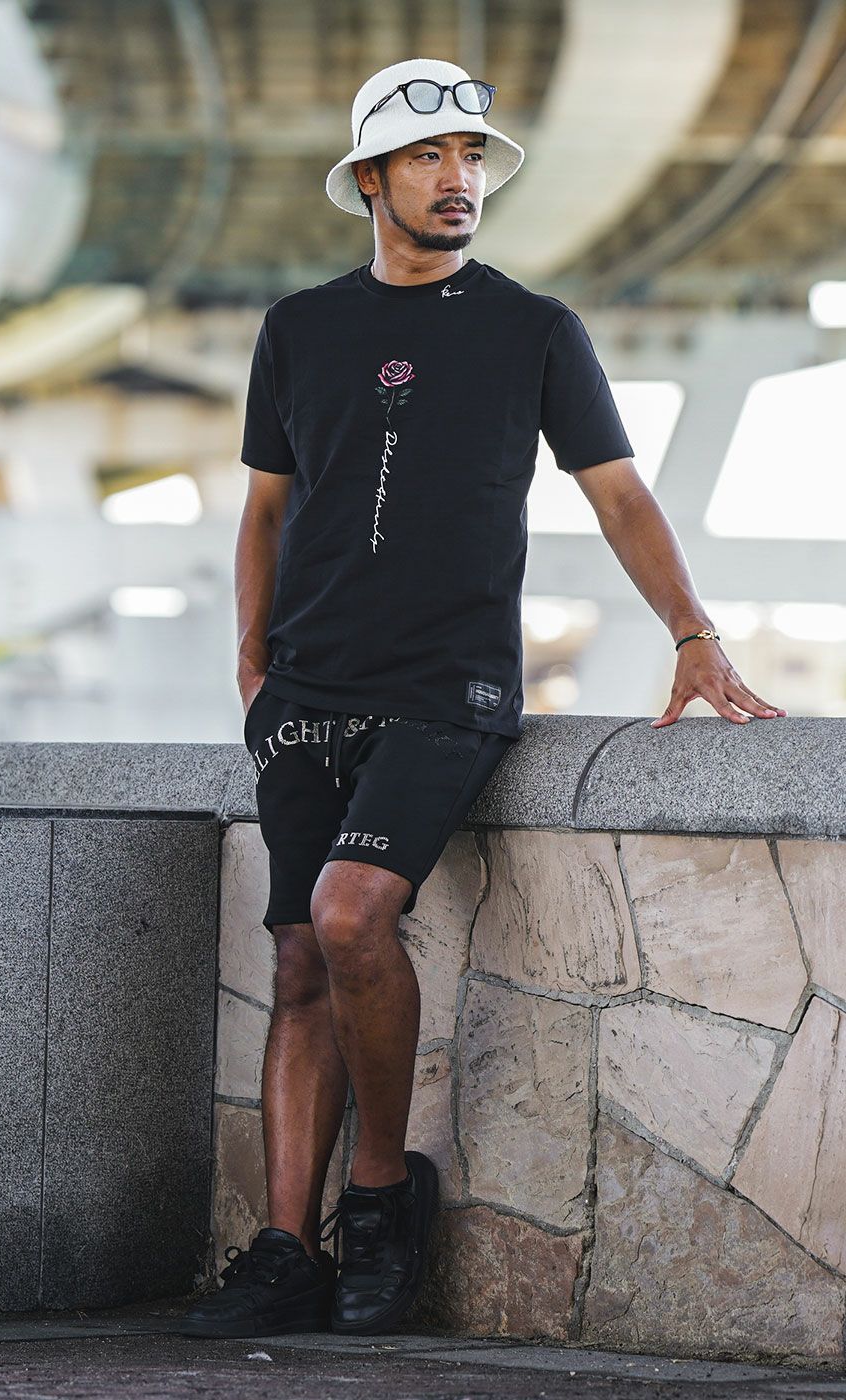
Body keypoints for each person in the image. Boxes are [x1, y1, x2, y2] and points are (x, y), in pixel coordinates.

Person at [177, 56, 786, 1341]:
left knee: (350, 914)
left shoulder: (533, 328)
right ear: (371, 180)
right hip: (307, 685)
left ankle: (381, 1194)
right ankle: (285, 1247)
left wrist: (692, 631)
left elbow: (616, 491)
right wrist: (251, 661)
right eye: (428, 157)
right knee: (296, 960)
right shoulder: (297, 328)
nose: (458, 179)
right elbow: (267, 508)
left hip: (445, 686)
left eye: (470, 158)